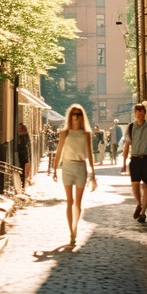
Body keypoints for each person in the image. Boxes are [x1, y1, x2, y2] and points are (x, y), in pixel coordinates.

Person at [53, 104, 96, 246]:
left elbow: (90, 154)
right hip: (67, 166)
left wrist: (93, 174)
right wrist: (53, 169)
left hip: (80, 167)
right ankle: (71, 232)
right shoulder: (65, 133)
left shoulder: (86, 133)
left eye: (79, 114)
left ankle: (75, 227)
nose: (76, 116)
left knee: (78, 202)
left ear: (82, 117)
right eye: (74, 114)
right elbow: (59, 151)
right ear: (70, 116)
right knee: (69, 201)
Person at [122, 103, 147, 224]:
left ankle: (143, 213)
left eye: (141, 111)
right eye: (137, 111)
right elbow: (127, 145)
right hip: (135, 158)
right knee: (135, 185)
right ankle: (138, 204)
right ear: (134, 113)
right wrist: (123, 162)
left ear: (144, 113)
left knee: (145, 186)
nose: (139, 114)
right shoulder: (131, 127)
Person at [17, 121, 31, 188]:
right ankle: (23, 184)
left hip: (23, 153)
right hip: (24, 153)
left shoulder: (23, 136)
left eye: (20, 128)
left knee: (22, 169)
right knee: (23, 169)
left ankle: (23, 184)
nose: (19, 129)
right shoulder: (25, 135)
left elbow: (23, 144)